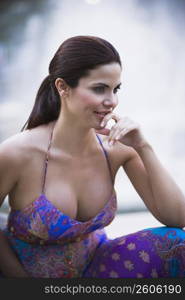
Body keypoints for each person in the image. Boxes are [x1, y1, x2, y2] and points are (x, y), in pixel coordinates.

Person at [0, 35, 185, 278]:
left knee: (177, 243)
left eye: (115, 89)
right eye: (99, 88)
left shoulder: (117, 148)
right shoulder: (17, 153)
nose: (112, 102)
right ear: (62, 87)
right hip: (26, 278)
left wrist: (143, 146)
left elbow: (176, 218)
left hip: (96, 270)